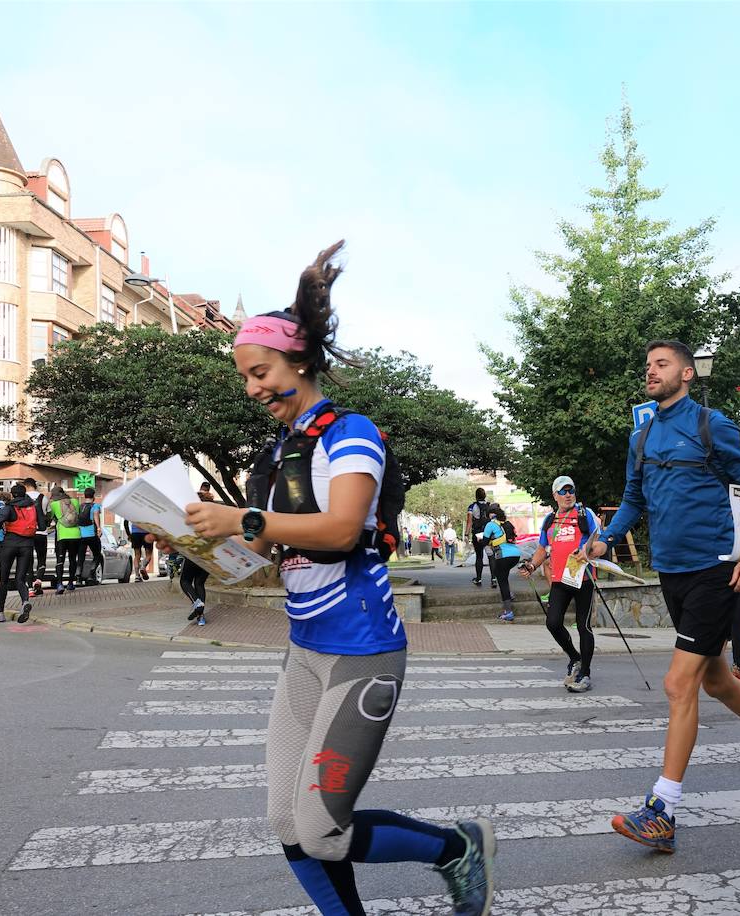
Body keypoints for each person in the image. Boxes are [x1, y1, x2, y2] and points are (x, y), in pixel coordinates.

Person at [174, 242, 493, 915]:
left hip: (362, 652)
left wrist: (244, 518)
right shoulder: (281, 450)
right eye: (245, 377)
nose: (254, 388)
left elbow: (343, 529)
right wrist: (196, 537)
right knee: (288, 823)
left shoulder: (351, 433)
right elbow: (268, 555)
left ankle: (455, 850)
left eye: (261, 372)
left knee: (322, 826)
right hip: (306, 653)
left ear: (299, 361)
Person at [586, 338, 740, 855]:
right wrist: (603, 537)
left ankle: (662, 809)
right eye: (648, 365)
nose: (651, 371)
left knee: (678, 682)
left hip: (715, 570)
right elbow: (632, 500)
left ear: (687, 374)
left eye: (661, 364)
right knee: (714, 680)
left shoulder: (713, 426)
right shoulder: (642, 436)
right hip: (671, 571)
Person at [519, 476, 602, 690]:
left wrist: (588, 550)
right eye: (563, 491)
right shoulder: (549, 520)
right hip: (559, 580)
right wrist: (531, 566)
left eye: (571, 490)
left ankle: (585, 674)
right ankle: (575, 657)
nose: (568, 494)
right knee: (553, 623)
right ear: (555, 496)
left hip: (583, 578)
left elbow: (599, 541)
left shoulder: (585, 514)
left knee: (584, 626)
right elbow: (541, 549)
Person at [0, 484, 40, 623]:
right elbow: (42, 523)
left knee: (4, 579)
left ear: (12, 494)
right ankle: (24, 602)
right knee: (20, 578)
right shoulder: (33, 507)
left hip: (10, 544)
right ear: (24, 494)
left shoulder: (9, 507)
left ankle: (0, 612)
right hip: (27, 545)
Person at [181, 484, 214, 625]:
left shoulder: (193, 516)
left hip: (194, 551)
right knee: (200, 583)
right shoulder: (214, 515)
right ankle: (200, 617)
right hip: (209, 554)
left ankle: (197, 603)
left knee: (185, 581)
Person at [482, 508, 520, 621]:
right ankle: (509, 594)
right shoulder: (507, 523)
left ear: (490, 515)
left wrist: (482, 541)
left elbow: (484, 541)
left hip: (504, 555)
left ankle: (508, 612)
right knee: (503, 575)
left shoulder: (490, 524)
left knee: (501, 580)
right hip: (515, 554)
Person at [49, 485, 82, 595]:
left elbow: (51, 518)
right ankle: (71, 583)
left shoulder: (54, 504)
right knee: (73, 559)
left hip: (62, 535)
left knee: (60, 560)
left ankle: (59, 584)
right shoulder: (75, 502)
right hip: (76, 535)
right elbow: (78, 514)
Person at [466, 488, 494, 588]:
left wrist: (466, 534)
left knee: (479, 556)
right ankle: (494, 579)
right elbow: (493, 521)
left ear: (476, 496)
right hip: (488, 534)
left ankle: (478, 578)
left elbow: (469, 522)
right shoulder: (490, 506)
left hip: (477, 534)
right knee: (491, 556)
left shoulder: (472, 507)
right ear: (485, 496)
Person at [77, 487, 103, 586]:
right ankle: (91, 574)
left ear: (85, 496)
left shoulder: (80, 506)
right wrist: (99, 528)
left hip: (81, 535)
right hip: (92, 534)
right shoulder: (95, 506)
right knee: (97, 554)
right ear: (93, 496)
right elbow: (96, 516)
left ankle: (78, 577)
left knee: (81, 557)